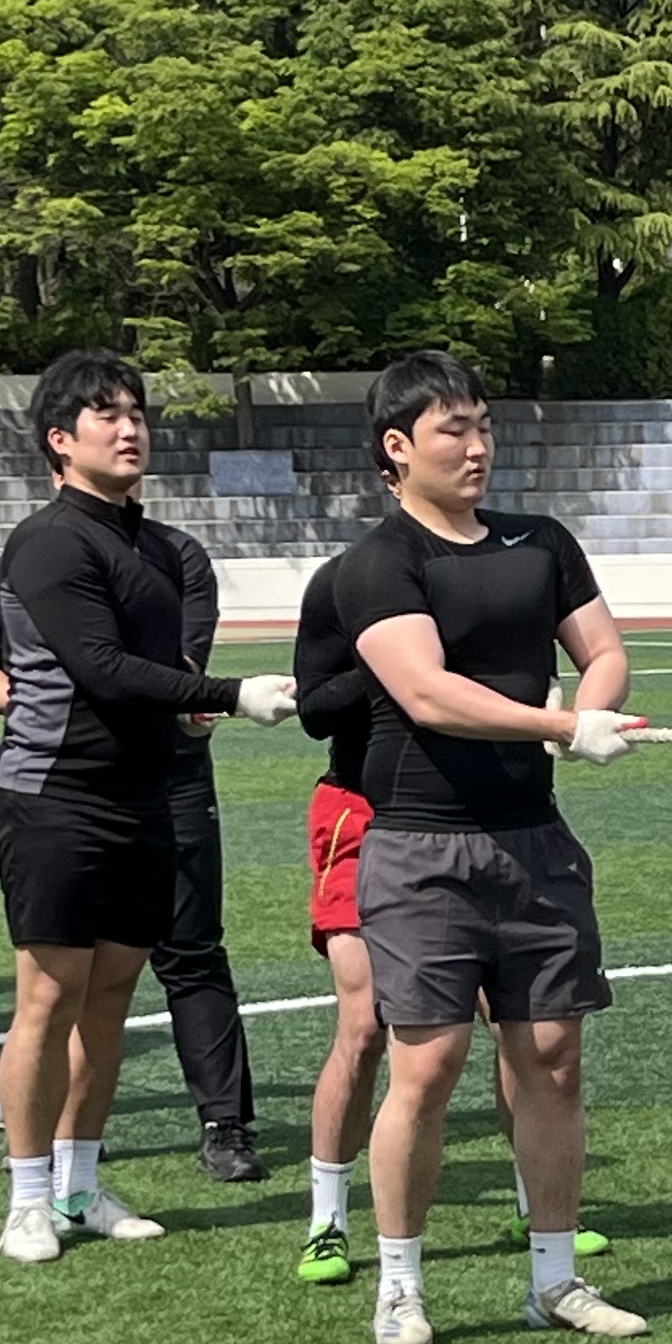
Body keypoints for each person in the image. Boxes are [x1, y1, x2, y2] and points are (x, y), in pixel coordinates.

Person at [325, 348, 647, 1344]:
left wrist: (592, 713)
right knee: (427, 1065)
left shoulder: (541, 541)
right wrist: (558, 726)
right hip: (421, 846)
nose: (476, 447)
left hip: (535, 842)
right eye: (452, 430)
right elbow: (426, 693)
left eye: (484, 426)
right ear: (397, 446)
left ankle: (554, 1280)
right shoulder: (379, 563)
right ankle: (400, 1285)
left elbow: (604, 651)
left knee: (552, 1057)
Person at [0, 351, 289, 1264]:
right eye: (107, 414)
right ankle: (26, 1199)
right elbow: (100, 669)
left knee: (108, 999)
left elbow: (158, 671)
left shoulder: (158, 548)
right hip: (56, 796)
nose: (130, 427)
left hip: (143, 794)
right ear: (59, 441)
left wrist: (198, 700)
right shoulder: (51, 541)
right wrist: (228, 695)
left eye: (136, 412)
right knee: (48, 996)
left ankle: (79, 1182)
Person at [153, 507, 267, 1183]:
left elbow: (184, 664)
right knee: (69, 966)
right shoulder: (38, 553)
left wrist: (198, 693)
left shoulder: (177, 554)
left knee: (192, 951)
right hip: (71, 789)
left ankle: (226, 1123)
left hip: (173, 778)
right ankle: (61, 1133)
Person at [288, 547, 388, 1284]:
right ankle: (327, 1222)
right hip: (360, 809)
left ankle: (536, 1207)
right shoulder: (348, 578)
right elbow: (316, 709)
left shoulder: (501, 564)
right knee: (365, 1023)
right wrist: (403, 660)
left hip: (473, 814)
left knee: (515, 1022)